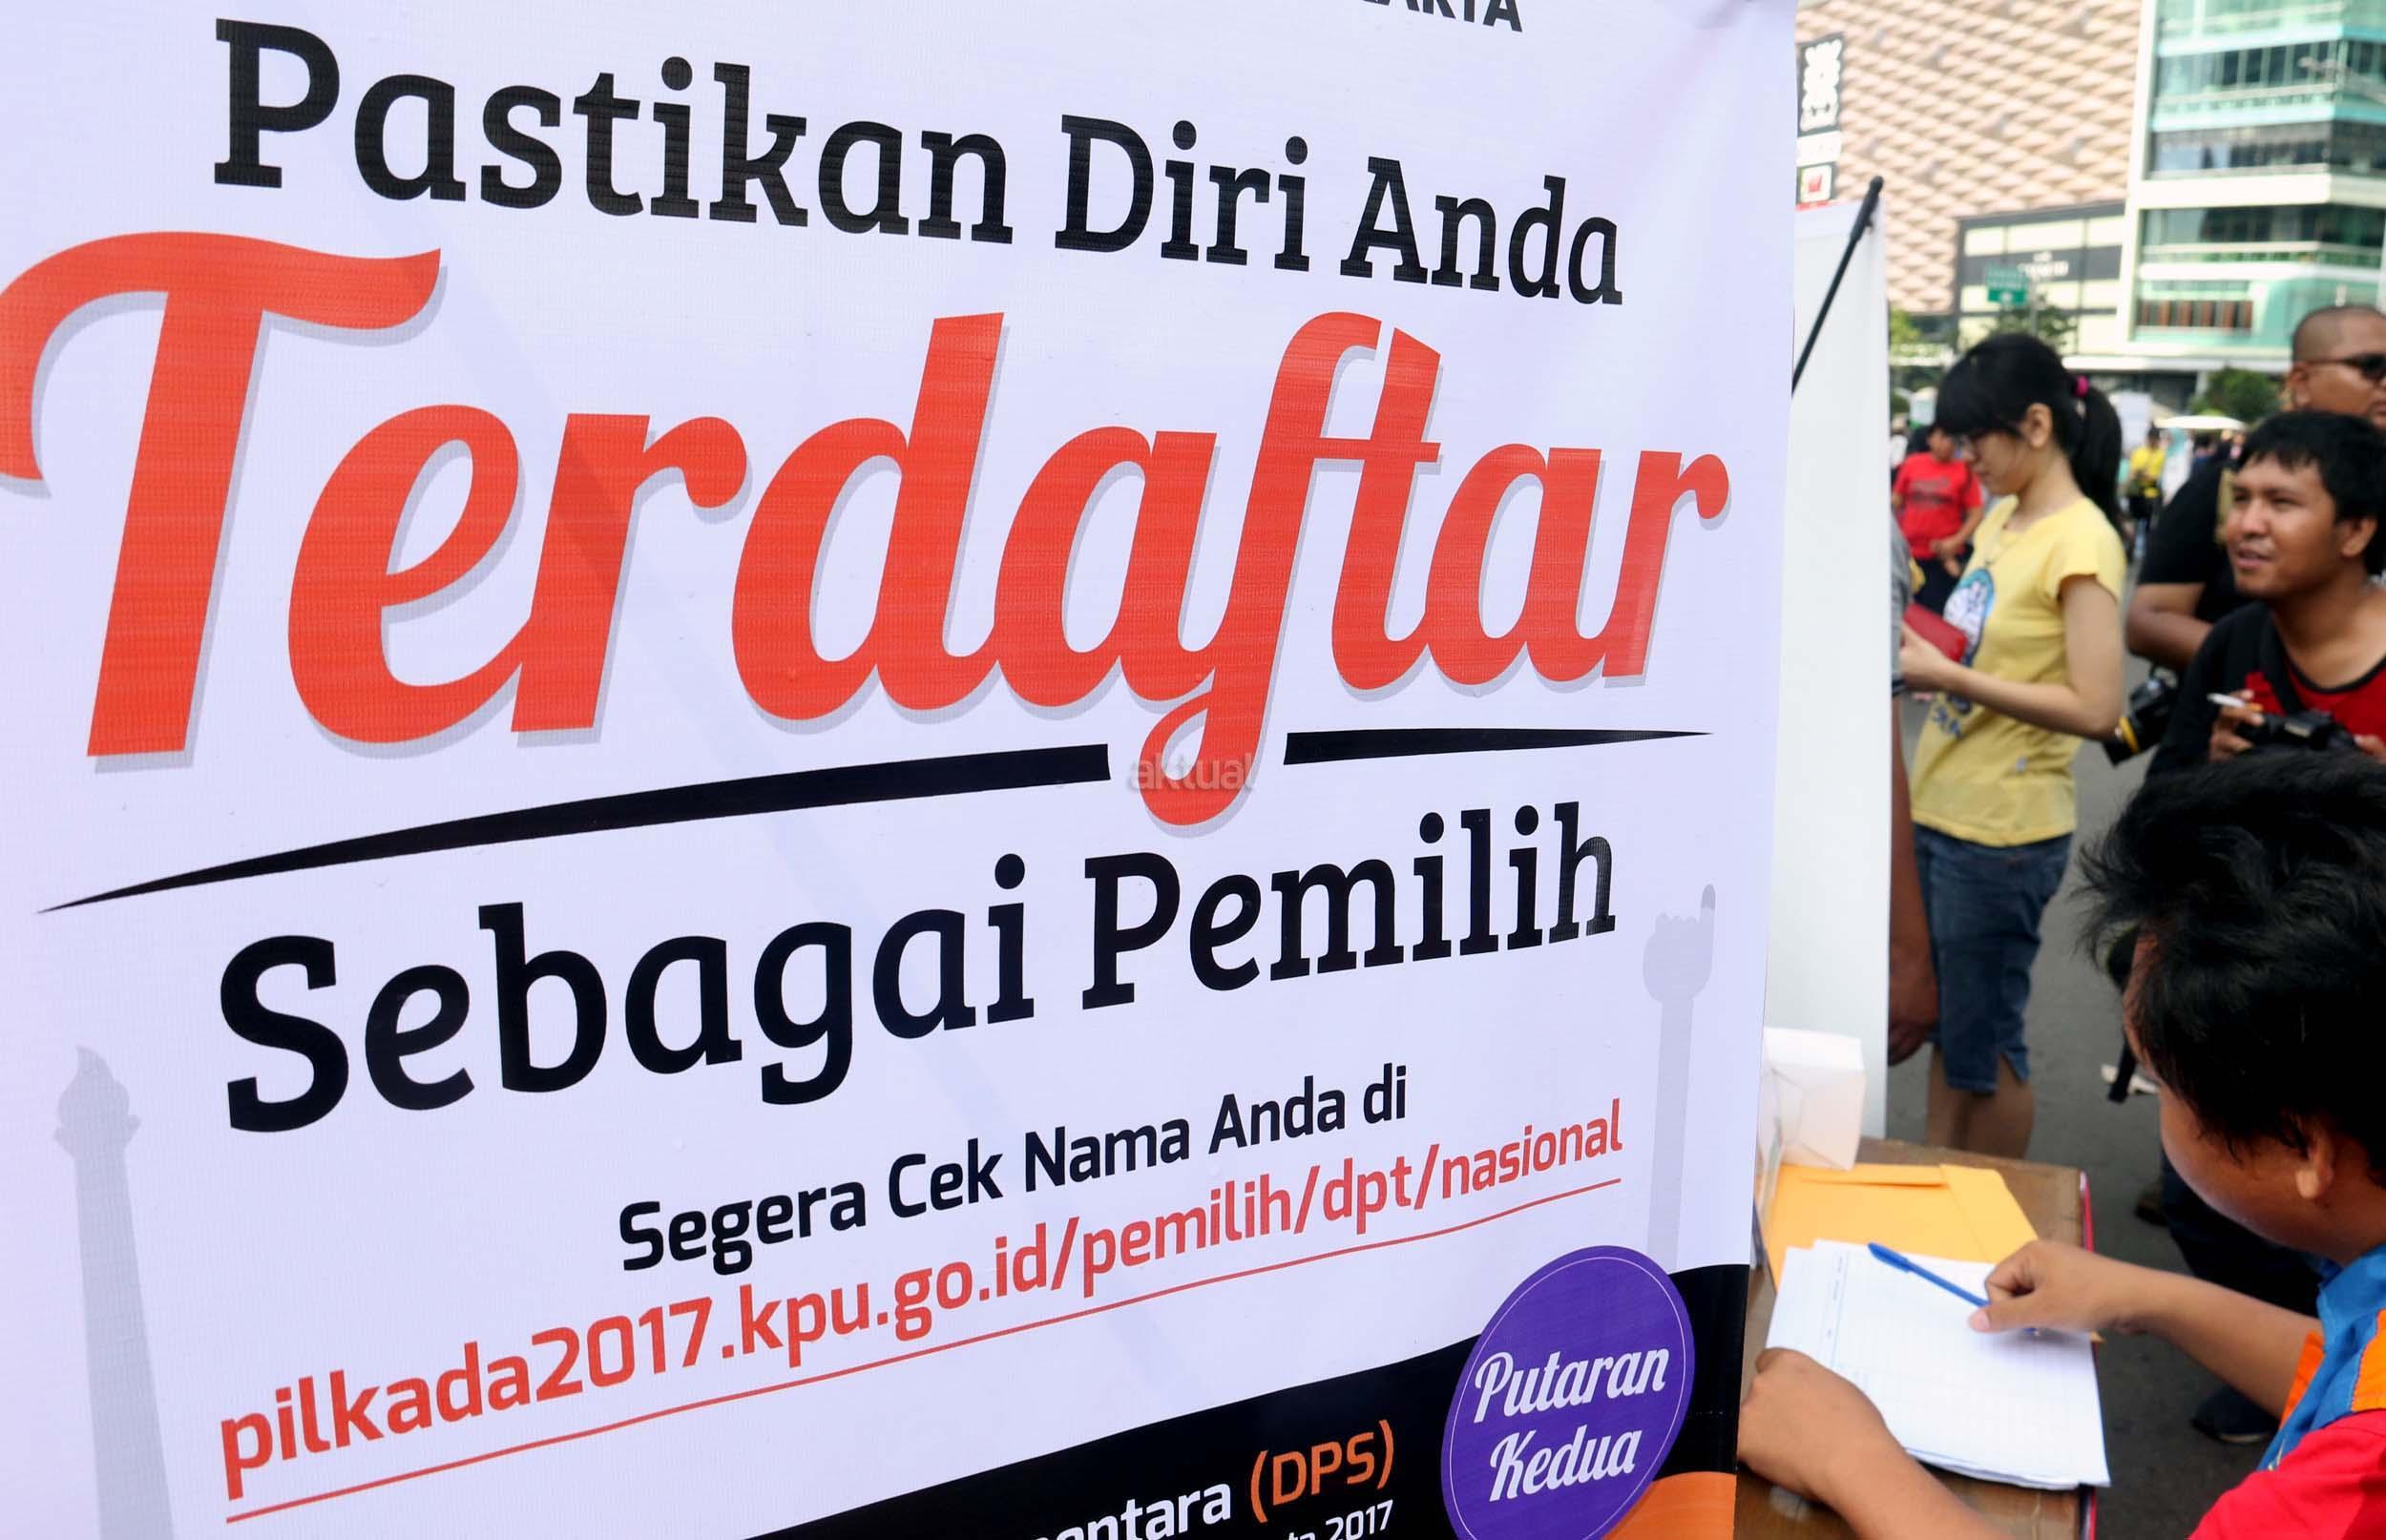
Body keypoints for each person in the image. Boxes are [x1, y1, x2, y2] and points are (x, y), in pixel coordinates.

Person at [1742, 752, 2386, 1537]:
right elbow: (2348, 1364)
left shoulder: (2352, 1484)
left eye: (2159, 1080)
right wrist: (2148, 1297)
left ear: (2307, 1150)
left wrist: (1850, 1458)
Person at [1895, 333, 2125, 1158]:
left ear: (2035, 424)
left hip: (2002, 833)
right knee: (1955, 1032)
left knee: (1986, 1042)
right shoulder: (2003, 516)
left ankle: (1991, 1201)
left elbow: (2099, 706)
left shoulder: (2081, 539)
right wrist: (1940, 657)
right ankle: (1940, 1175)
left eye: (1976, 438)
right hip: (1948, 807)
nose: (1966, 457)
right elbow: (1987, 646)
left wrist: (1951, 676)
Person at [2128, 303, 2386, 672]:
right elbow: (2148, 621)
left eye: (2282, 503)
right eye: (2373, 367)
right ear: (2300, 381)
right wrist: (2284, 674)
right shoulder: (2224, 485)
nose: (2252, 522)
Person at [1893, 425, 1987, 614]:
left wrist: (1955, 542)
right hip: (1909, 556)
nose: (1948, 443)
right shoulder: (1912, 464)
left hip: (1942, 558)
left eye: (1952, 438)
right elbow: (1896, 502)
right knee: (1906, 612)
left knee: (1937, 616)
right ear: (1930, 439)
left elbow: (1976, 513)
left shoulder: (1964, 470)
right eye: (1943, 437)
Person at [2125, 422, 2166, 557]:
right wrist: (2144, 474)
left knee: (2148, 526)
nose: (2153, 441)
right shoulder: (2139, 452)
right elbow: (2132, 473)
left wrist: (2141, 473)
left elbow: (2154, 476)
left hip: (2150, 495)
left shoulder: (2160, 454)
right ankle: (2130, 551)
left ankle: (2146, 554)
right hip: (2136, 493)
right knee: (2134, 523)